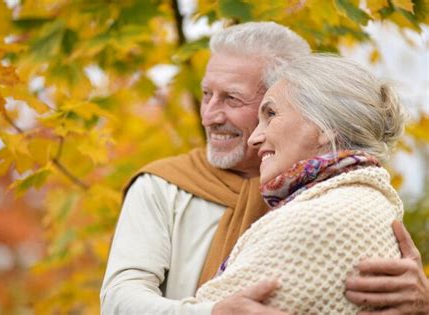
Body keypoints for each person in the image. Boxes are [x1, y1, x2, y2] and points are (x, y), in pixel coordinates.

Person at [100, 22, 429, 315]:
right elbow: (118, 299)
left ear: (295, 101)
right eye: (205, 95)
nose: (209, 116)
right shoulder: (163, 185)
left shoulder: (340, 191)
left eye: (232, 99)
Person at [192, 53, 420, 314]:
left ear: (324, 126)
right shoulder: (362, 199)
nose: (254, 138)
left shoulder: (319, 218)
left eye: (271, 114)